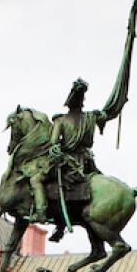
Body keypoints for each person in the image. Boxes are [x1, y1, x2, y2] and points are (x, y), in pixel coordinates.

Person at [27, 78, 117, 227]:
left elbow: (53, 142)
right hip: (86, 163)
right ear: (82, 101)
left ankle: (41, 212)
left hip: (67, 163)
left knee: (35, 180)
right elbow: (111, 112)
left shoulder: (61, 120)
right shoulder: (91, 117)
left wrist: (56, 149)